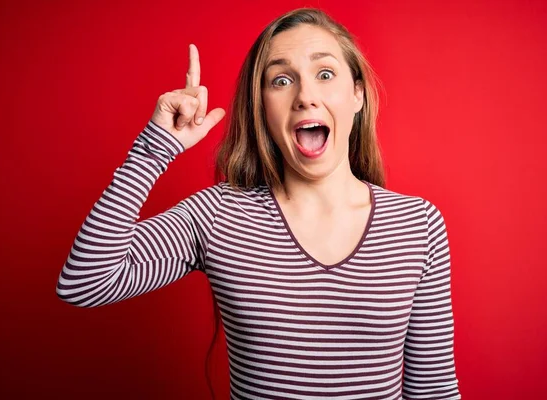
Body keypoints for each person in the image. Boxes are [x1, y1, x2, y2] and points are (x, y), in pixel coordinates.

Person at [56, 7, 461, 400]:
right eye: (281, 80)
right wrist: (154, 150)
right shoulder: (219, 216)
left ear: (356, 94)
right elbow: (85, 281)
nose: (305, 96)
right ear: (262, 108)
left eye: (325, 74)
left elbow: (433, 391)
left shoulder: (417, 224)